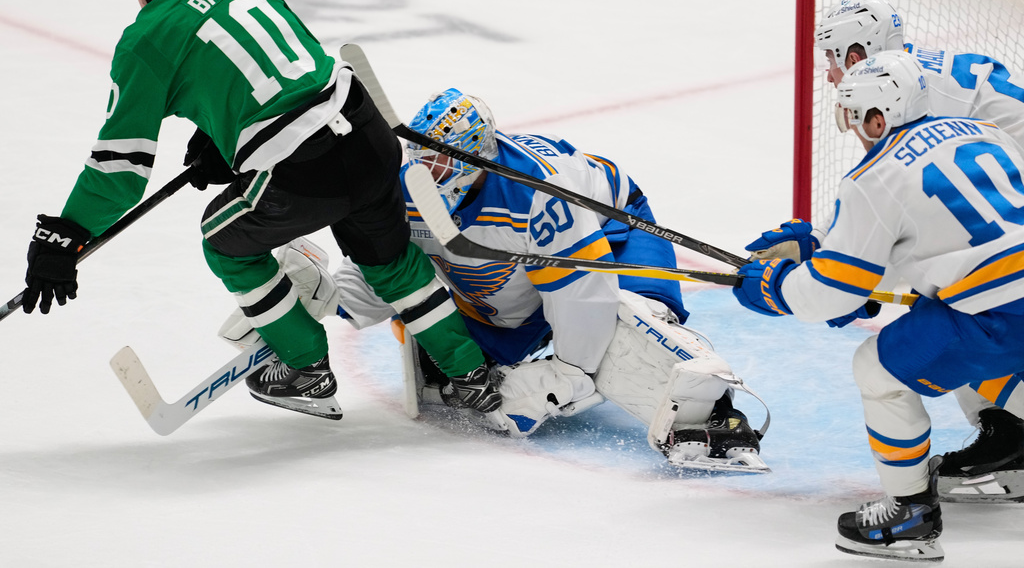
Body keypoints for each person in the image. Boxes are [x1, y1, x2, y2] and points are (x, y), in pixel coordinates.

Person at [20, 0, 499, 422]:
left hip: (305, 170)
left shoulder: (145, 38)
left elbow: (121, 165)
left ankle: (306, 368)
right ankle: (471, 375)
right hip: (366, 131)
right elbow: (289, 65)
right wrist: (221, 138)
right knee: (392, 263)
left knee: (224, 241)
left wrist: (67, 234)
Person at [270, 87, 767, 472]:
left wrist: (563, 378)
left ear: (474, 156)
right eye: (422, 154)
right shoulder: (407, 180)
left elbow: (583, 297)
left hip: (612, 229)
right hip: (511, 278)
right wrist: (335, 301)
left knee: (630, 327)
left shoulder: (536, 198)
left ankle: (708, 415)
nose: (427, 167)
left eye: (442, 159)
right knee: (469, 358)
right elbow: (385, 263)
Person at [733, 50, 1024, 561]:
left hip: (995, 315)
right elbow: (944, 234)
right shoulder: (987, 132)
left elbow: (828, 293)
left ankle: (909, 514)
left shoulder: (874, 176)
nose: (854, 130)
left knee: (879, 370)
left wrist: (777, 286)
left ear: (876, 116)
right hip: (1007, 301)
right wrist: (841, 266)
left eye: (854, 116)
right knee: (967, 360)